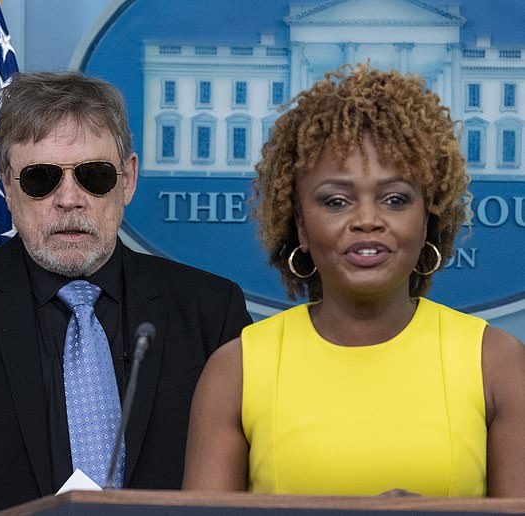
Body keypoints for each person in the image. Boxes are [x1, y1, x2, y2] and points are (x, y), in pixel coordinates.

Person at [0, 71, 252, 515]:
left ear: (128, 180)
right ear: (7, 185)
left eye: (93, 176)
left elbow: (248, 478)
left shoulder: (210, 309)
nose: (69, 199)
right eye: (41, 178)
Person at [182, 65, 525, 497]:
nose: (367, 220)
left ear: (428, 219)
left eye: (395, 199)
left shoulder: (496, 363)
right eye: (337, 200)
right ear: (301, 226)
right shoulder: (237, 370)